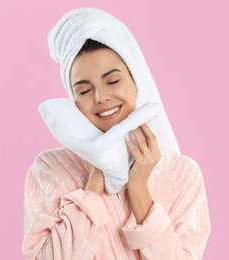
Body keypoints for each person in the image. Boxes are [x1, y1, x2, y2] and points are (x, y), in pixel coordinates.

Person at [21, 7, 211, 260]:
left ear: (136, 82)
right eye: (84, 90)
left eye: (112, 81)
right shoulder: (50, 169)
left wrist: (139, 188)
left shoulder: (181, 174)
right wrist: (95, 181)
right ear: (73, 100)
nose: (101, 97)